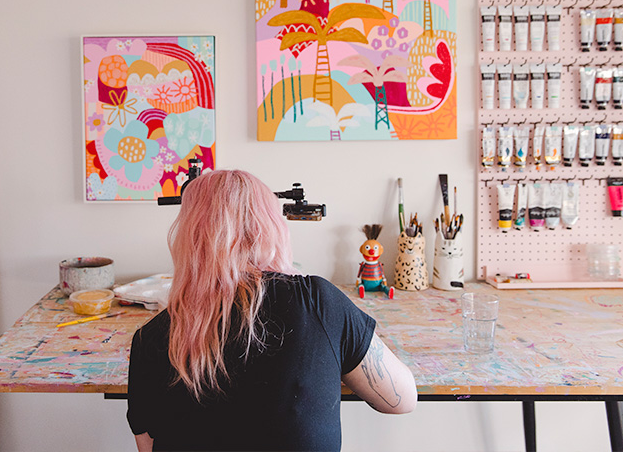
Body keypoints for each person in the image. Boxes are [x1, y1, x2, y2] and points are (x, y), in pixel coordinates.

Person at [127, 170, 416, 451]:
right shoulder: (317, 302)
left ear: (189, 237)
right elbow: (402, 399)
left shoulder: (148, 340)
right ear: (270, 228)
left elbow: (148, 446)